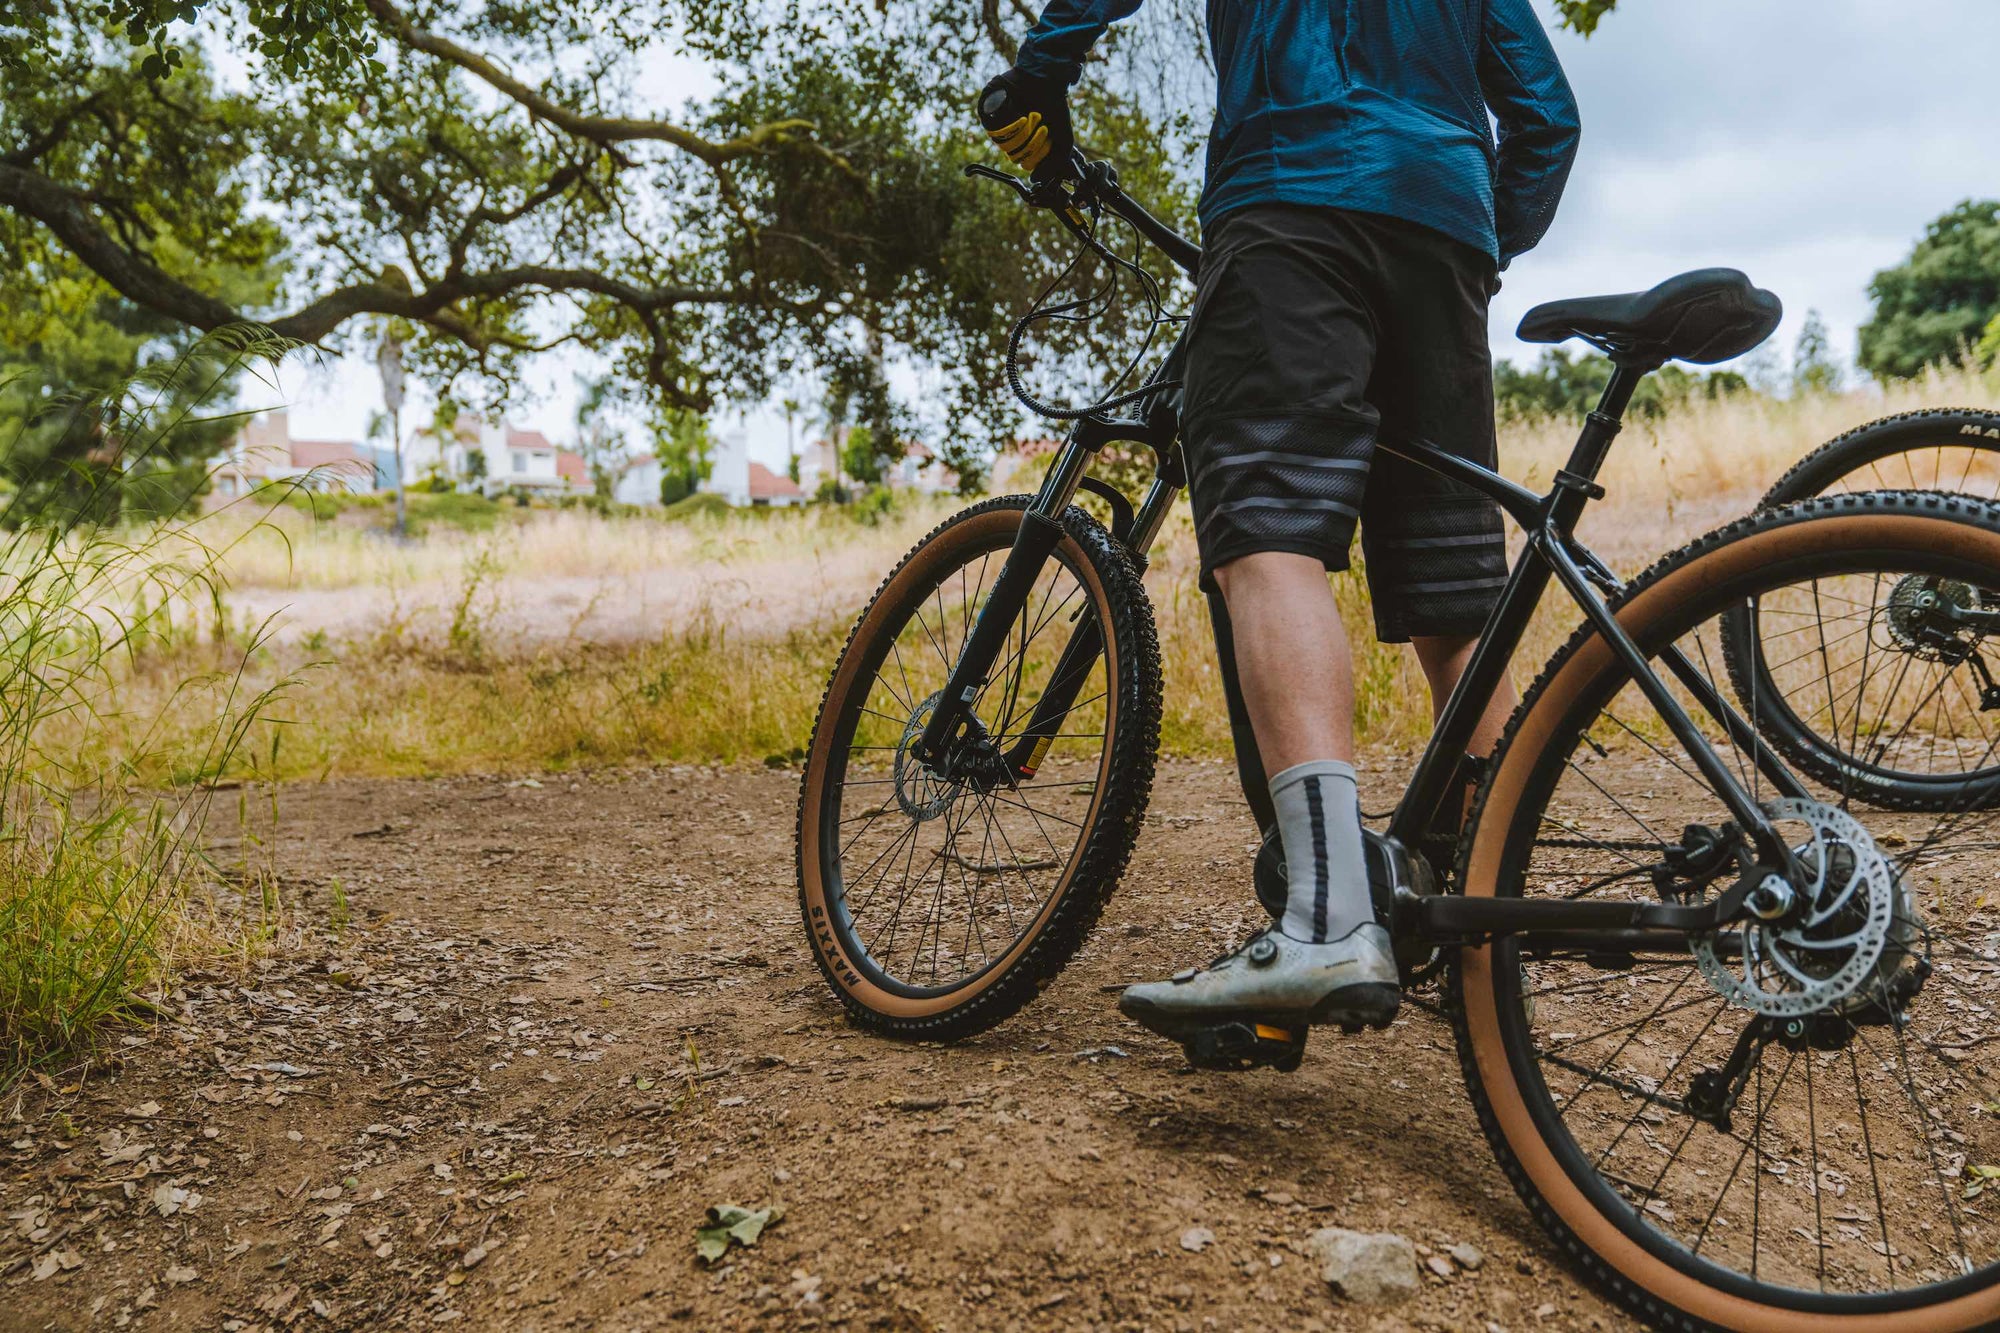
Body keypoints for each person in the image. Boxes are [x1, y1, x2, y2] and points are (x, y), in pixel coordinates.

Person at [978, 1, 1580, 1056]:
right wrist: (1472, 232)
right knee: (1453, 600)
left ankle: (1322, 923)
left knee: (1268, 537)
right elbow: (1545, 120)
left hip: (1289, 203)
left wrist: (1036, 80)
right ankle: (1480, 936)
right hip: (1445, 229)